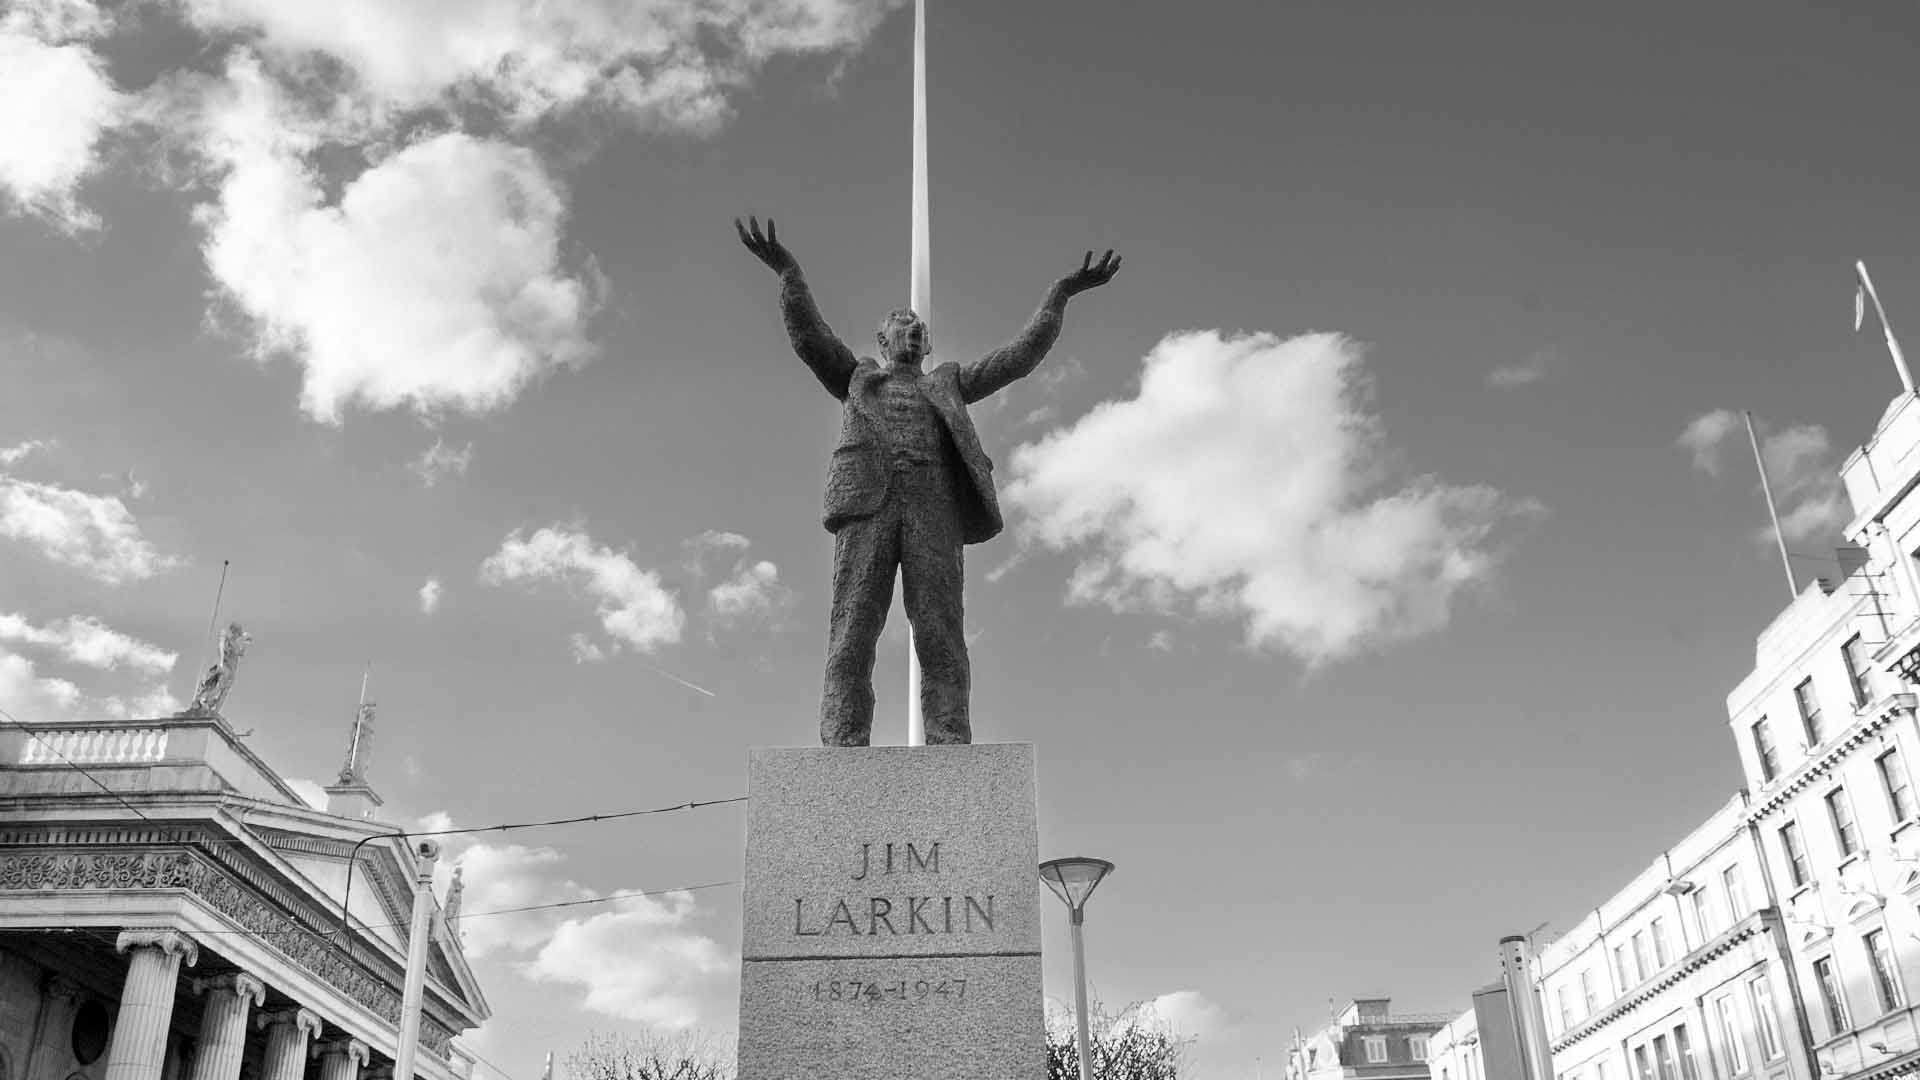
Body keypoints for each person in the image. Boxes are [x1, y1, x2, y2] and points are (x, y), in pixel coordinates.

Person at [737, 216, 1120, 746]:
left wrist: (1061, 294)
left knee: (940, 631)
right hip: (868, 505)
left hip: (932, 508)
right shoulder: (856, 377)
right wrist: (787, 271)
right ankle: (844, 737)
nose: (914, 332)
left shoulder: (950, 384)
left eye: (920, 328)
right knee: (852, 630)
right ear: (882, 339)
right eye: (903, 325)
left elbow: (1019, 357)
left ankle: (948, 736)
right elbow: (808, 333)